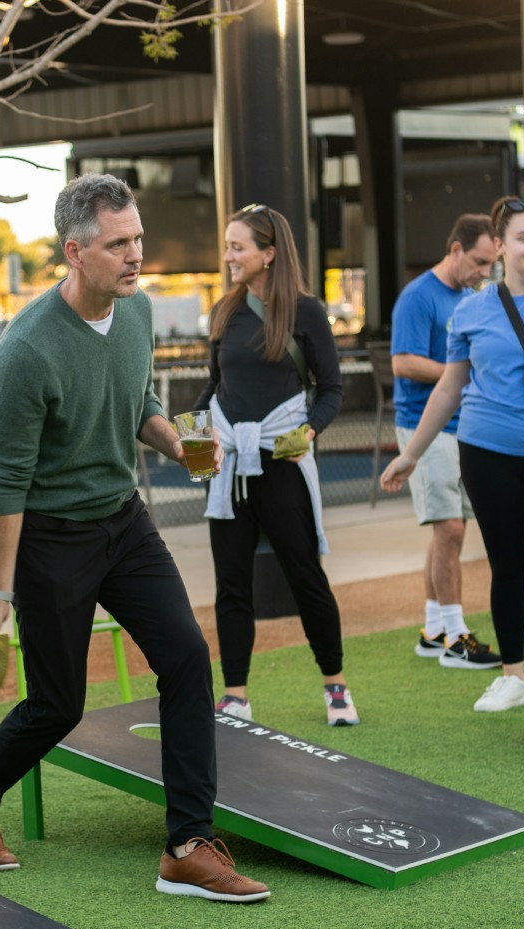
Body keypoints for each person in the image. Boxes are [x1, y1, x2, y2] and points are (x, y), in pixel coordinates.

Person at [0, 174, 269, 903]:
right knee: (57, 705)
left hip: (123, 520)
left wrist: (177, 445)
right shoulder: (25, 352)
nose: (136, 256)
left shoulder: (138, 310)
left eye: (138, 239)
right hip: (52, 539)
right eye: (118, 244)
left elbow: (139, 403)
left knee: (186, 658)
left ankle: (187, 843)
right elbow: (8, 483)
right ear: (75, 251)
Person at [380, 196, 524, 714]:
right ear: (501, 246)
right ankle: (512, 675)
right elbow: (449, 389)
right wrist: (411, 455)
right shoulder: (472, 309)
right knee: (507, 566)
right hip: (485, 455)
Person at [194, 204, 351, 726]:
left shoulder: (305, 311)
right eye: (228, 245)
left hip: (282, 462)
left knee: (305, 576)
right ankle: (235, 694)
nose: (228, 255)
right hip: (229, 470)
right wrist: (192, 444)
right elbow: (216, 389)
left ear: (269, 253)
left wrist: (310, 430)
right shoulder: (224, 312)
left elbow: (330, 389)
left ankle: (336, 686)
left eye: (238, 246)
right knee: (231, 584)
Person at [389, 214, 501, 669]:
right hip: (424, 424)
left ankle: (434, 629)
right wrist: (461, 374)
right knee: (450, 529)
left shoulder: (472, 297)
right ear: (455, 250)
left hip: (463, 425)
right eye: (479, 262)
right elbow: (402, 363)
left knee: (447, 533)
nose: (484, 273)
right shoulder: (418, 296)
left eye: (490, 264)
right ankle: (456, 638)